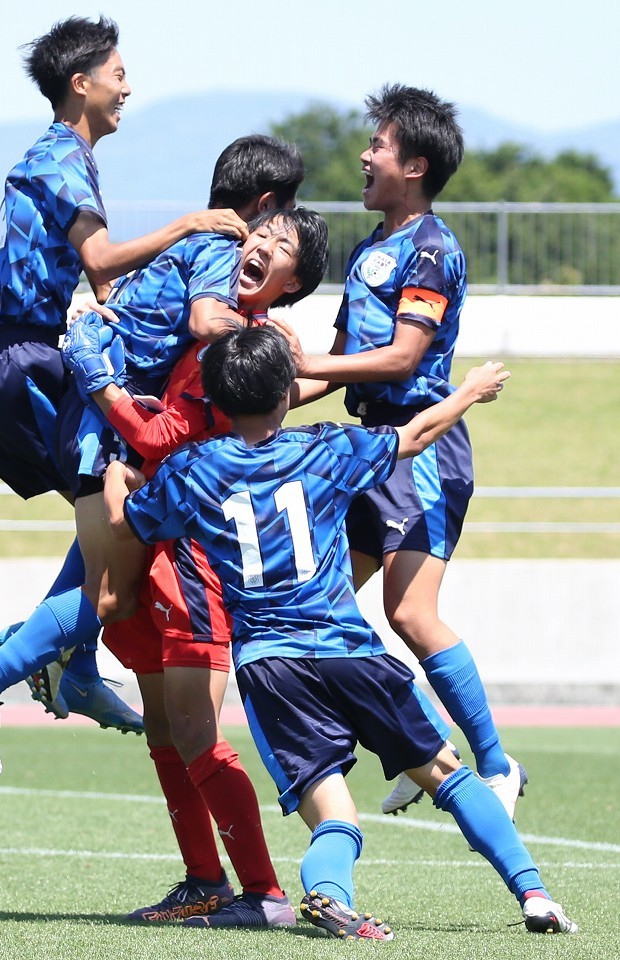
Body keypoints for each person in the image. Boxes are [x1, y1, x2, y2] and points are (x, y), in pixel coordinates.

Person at [104, 324, 578, 939]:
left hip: (271, 667)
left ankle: (330, 894)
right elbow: (413, 438)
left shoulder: (193, 469)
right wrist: (468, 392)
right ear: (285, 395)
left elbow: (126, 527)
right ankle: (534, 894)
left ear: (216, 402)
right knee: (447, 775)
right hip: (348, 650)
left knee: (333, 812)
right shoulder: (324, 448)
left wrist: (118, 481)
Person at [0, 135, 304, 776]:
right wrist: (268, 342)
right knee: (110, 595)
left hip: (103, 408)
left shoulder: (197, 247)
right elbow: (201, 323)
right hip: (103, 419)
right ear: (265, 205)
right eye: (275, 226)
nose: (266, 244)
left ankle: (72, 667)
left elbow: (125, 299)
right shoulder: (219, 248)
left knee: (106, 576)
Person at [68, 207, 328, 928]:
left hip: (196, 566)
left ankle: (265, 892)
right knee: (165, 730)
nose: (259, 245)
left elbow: (160, 431)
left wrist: (100, 383)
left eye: (280, 245)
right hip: (166, 553)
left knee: (196, 735)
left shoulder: (248, 347)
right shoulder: (232, 332)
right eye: (258, 233)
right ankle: (203, 879)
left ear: (296, 281)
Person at [277, 84, 524, 819]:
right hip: (366, 451)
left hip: (421, 450)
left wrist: (311, 367)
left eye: (378, 146)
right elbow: (347, 357)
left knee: (411, 614)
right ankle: (423, 740)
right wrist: (274, 403)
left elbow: (401, 358)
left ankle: (496, 764)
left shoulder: (432, 247)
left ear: (414, 164)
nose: (363, 155)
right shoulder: (370, 250)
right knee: (319, 609)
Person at [0, 14, 246, 503]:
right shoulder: (63, 157)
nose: (128, 89)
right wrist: (191, 224)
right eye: (118, 75)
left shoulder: (60, 154)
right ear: (80, 84)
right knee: (113, 505)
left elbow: (101, 280)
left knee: (110, 511)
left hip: (6, 358)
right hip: (17, 359)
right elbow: (102, 258)